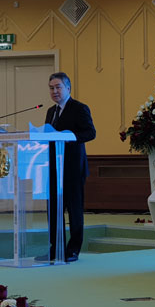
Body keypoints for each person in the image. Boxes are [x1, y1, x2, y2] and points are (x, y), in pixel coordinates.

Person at [44, 72, 96, 263]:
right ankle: (55, 249)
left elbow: (90, 132)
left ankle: (73, 250)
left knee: (74, 210)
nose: (55, 91)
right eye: (51, 88)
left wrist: (69, 137)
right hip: (53, 169)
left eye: (58, 87)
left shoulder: (79, 108)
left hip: (73, 168)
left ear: (68, 88)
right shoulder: (51, 111)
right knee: (53, 211)